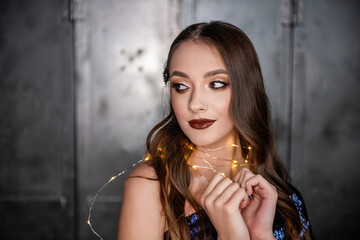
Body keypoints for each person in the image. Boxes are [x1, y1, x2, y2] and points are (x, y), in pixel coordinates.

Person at [117, 21, 313, 240]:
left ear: (246, 89)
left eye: (216, 84)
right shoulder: (151, 185)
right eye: (181, 86)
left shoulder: (283, 198)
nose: (195, 104)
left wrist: (260, 234)